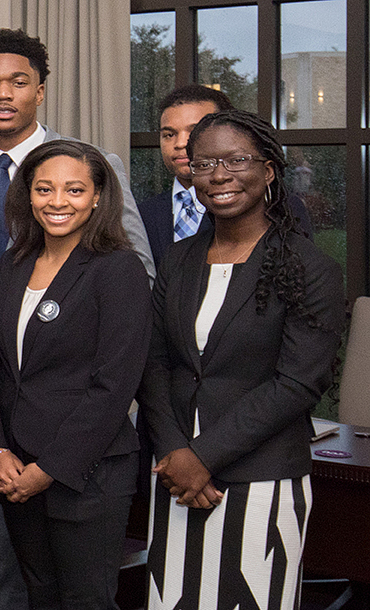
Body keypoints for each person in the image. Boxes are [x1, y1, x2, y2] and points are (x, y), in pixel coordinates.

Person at [0, 30, 152, 608]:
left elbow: (137, 282)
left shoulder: (98, 173)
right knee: (5, 568)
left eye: (19, 81)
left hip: (78, 431)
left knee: (81, 591)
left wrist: (50, 464)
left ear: (41, 91)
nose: (4, 93)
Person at [139, 110, 345, 610]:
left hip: (260, 480)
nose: (219, 174)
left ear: (269, 170)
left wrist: (202, 458)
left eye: (236, 160)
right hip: (175, 480)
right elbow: (154, 362)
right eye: (205, 162)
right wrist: (173, 455)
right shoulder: (179, 259)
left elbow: (296, 384)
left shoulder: (309, 268)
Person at [0, 140, 150, 609]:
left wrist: (48, 471)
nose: (57, 202)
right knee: (40, 595)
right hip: (15, 467)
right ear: (27, 195)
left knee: (86, 601)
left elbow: (113, 387)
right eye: (44, 189)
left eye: (74, 190)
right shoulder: (15, 264)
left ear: (97, 198)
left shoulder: (118, 269)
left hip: (87, 473)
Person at [141, 85, 310, 260]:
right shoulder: (143, 214)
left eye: (195, 131)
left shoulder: (279, 208)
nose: (181, 143)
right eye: (169, 134)